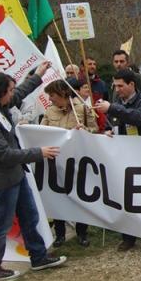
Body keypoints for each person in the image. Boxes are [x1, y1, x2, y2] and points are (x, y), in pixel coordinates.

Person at [0, 63, 67, 281]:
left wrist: (38, 75)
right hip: (2, 179)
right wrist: (39, 152)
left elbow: (20, 91)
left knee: (30, 216)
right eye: (9, 90)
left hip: (16, 175)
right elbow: (5, 154)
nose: (13, 94)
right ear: (0, 93)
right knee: (0, 224)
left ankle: (38, 257)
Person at [93, 69, 141, 252]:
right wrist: (109, 131)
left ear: (132, 84)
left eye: (121, 86)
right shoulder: (116, 102)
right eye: (115, 86)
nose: (117, 90)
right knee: (126, 197)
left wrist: (112, 108)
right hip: (123, 159)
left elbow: (140, 118)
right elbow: (114, 123)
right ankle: (128, 236)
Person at [41, 79, 98, 248]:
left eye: (52, 95)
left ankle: (82, 233)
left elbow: (95, 130)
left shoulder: (81, 108)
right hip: (56, 162)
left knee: (79, 197)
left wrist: (85, 130)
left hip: (78, 161)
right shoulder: (49, 111)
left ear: (63, 93)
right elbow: (40, 131)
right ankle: (60, 234)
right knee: (57, 197)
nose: (50, 99)